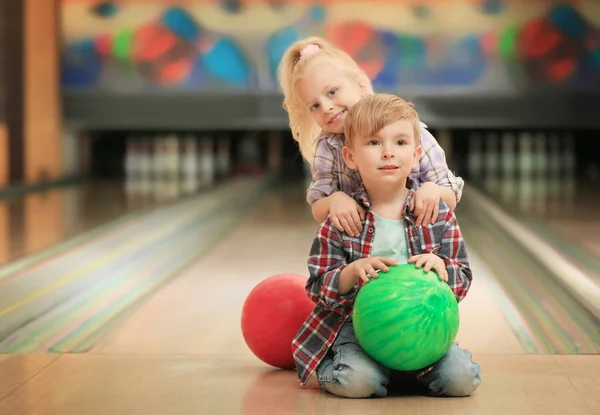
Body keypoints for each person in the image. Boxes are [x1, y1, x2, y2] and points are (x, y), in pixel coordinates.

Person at [291, 93, 481, 398]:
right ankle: (349, 365)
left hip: (423, 331)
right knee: (356, 383)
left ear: (417, 154)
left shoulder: (437, 214)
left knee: (461, 380)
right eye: (374, 143)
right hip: (358, 329)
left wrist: (442, 269)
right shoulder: (342, 217)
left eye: (400, 143)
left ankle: (398, 373)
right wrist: (352, 272)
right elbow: (317, 286)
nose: (388, 153)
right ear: (350, 157)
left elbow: (463, 278)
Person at [278, 36, 463, 235]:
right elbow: (318, 206)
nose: (326, 107)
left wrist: (434, 191)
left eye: (332, 92)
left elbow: (451, 195)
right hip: (362, 247)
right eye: (314, 105)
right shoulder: (328, 147)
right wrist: (333, 201)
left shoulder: (408, 130)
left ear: (360, 84)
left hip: (416, 243)